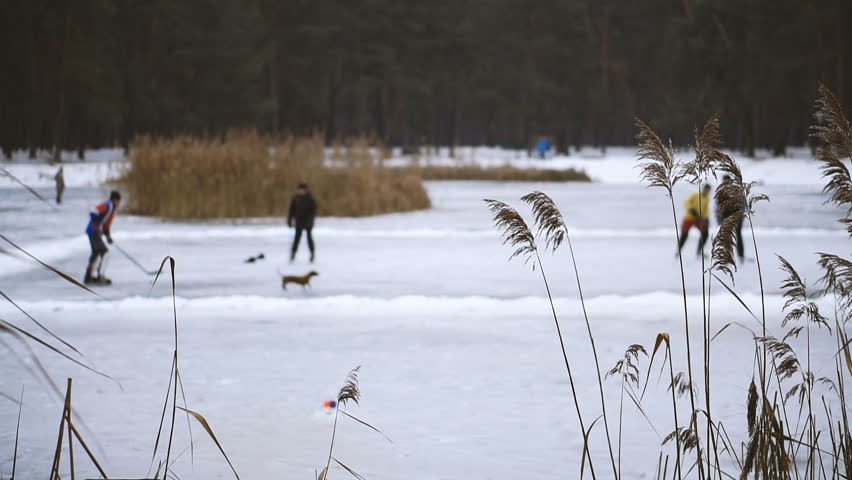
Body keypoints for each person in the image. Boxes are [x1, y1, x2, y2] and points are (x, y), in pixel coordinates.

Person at [85, 190, 121, 284]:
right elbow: (93, 211)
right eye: (118, 201)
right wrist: (97, 226)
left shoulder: (111, 209)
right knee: (105, 252)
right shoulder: (108, 205)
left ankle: (88, 277)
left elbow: (105, 225)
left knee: (96, 252)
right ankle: (100, 276)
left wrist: (108, 236)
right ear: (115, 199)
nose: (119, 203)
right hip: (93, 232)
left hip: (93, 232)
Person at [716, 174, 745, 262]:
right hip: (725, 218)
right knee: (726, 237)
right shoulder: (721, 192)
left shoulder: (736, 190)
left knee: (738, 236)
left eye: (727, 181)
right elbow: (718, 207)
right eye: (724, 181)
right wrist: (719, 218)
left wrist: (741, 214)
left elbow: (743, 203)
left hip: (736, 217)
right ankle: (726, 256)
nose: (725, 183)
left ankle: (741, 256)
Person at [677, 184, 712, 257]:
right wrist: (691, 208)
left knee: (705, 233)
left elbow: (706, 209)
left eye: (708, 191)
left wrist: (706, 218)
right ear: (703, 189)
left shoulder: (707, 198)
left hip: (699, 218)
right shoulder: (695, 195)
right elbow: (686, 202)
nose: (707, 192)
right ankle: (678, 252)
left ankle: (699, 251)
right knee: (684, 234)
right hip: (689, 217)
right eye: (706, 190)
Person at [287, 182, 317, 263]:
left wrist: (310, 221)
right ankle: (293, 254)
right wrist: (289, 220)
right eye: (300, 189)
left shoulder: (310, 198)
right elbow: (291, 210)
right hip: (299, 222)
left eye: (303, 190)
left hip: (308, 223)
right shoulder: (296, 198)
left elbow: (313, 212)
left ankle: (312, 254)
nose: (301, 191)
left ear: (306, 190)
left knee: (309, 238)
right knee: (296, 239)